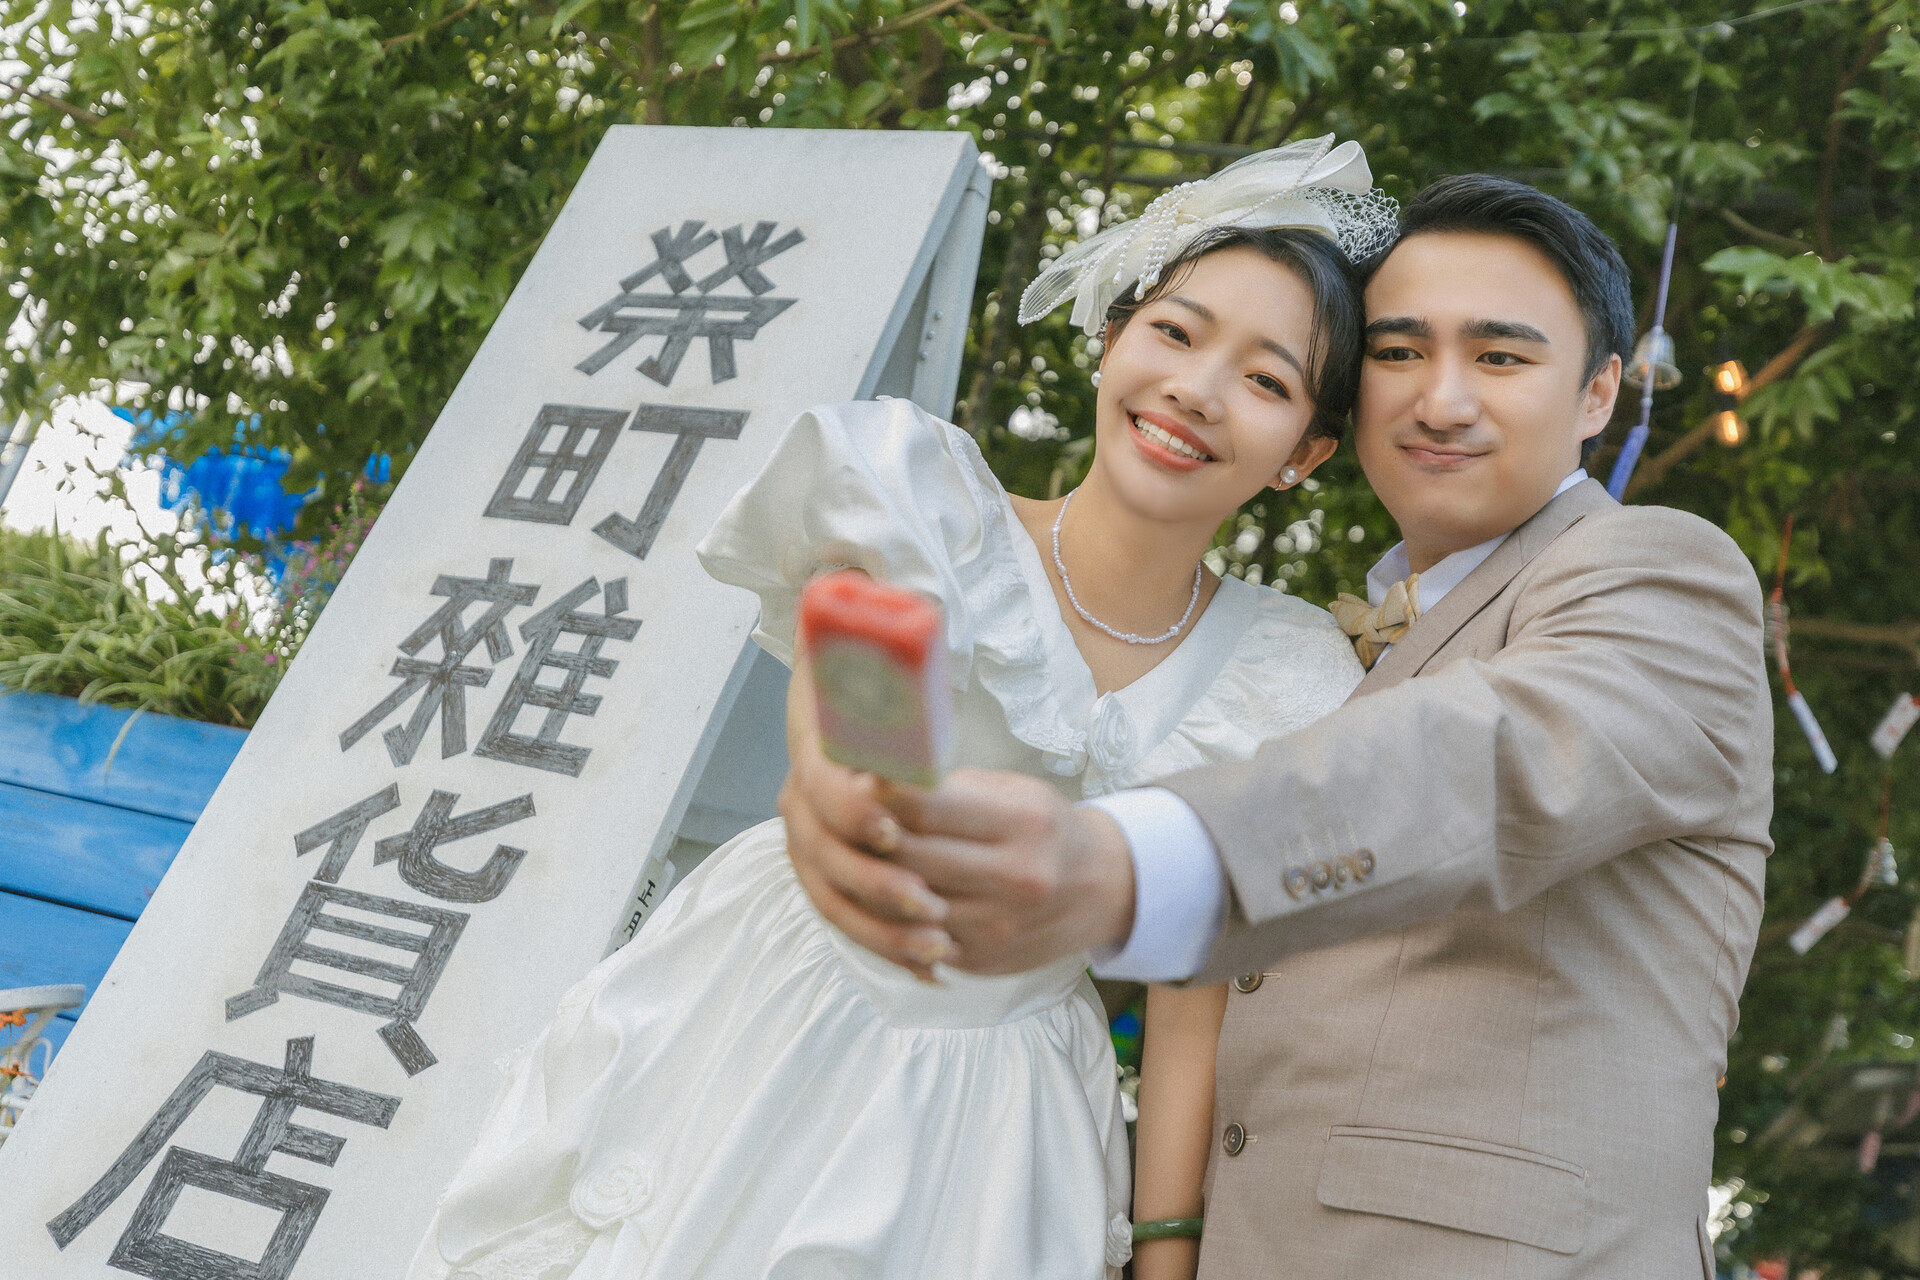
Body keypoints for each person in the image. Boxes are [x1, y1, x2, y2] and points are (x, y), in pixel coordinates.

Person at [408, 136, 1398, 1280]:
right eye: (1175, 332)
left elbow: (1193, 989)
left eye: (1266, 380)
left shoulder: (1288, 673)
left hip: (1003, 1110)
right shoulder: (922, 506)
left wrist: (1167, 1254)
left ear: (1304, 452)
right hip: (771, 1008)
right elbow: (840, 737)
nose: (1197, 389)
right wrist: (836, 802)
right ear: (1113, 338)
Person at [781, 174, 1774, 1278]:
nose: (1441, 399)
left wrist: (1123, 862)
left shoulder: (1658, 572)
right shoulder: (1351, 652)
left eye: (1500, 356)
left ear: (1597, 394)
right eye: (1399, 352)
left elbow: (1480, 763)